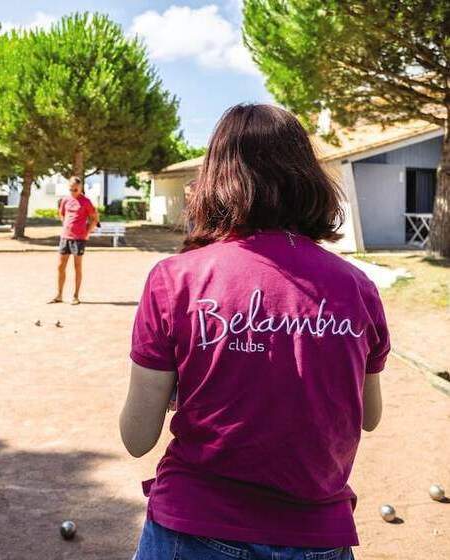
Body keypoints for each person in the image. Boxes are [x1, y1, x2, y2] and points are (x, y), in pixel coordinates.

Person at [121, 104, 389, 560]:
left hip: (194, 528)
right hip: (317, 537)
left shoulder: (176, 278)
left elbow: (137, 437)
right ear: (307, 177)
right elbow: (369, 415)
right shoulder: (357, 287)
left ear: (216, 178)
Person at [48, 176, 98, 305]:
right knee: (60, 267)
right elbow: (61, 214)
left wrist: (87, 233)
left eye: (75, 190)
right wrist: (65, 225)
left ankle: (75, 296)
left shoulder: (86, 202)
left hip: (79, 239)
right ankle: (59, 295)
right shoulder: (65, 200)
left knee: (77, 267)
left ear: (80, 188)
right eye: (71, 190)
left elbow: (94, 218)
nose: (73, 192)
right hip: (65, 237)